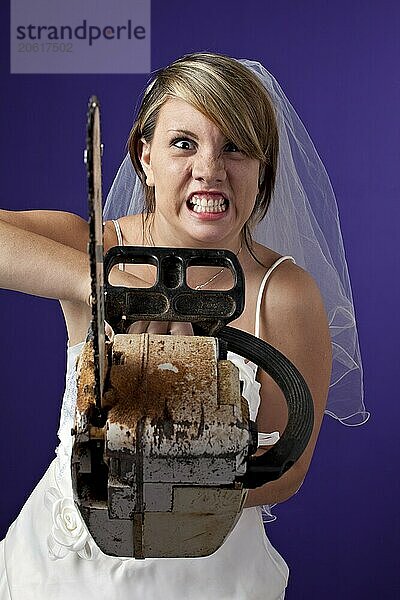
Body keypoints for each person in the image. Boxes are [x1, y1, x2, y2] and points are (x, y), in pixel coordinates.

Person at [0, 52, 368, 599]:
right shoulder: (95, 245)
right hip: (58, 572)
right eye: (183, 143)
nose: (210, 169)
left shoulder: (284, 294)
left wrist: (166, 480)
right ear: (144, 157)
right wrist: (99, 283)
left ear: (262, 166)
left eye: (235, 147)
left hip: (206, 574)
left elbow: (286, 472)